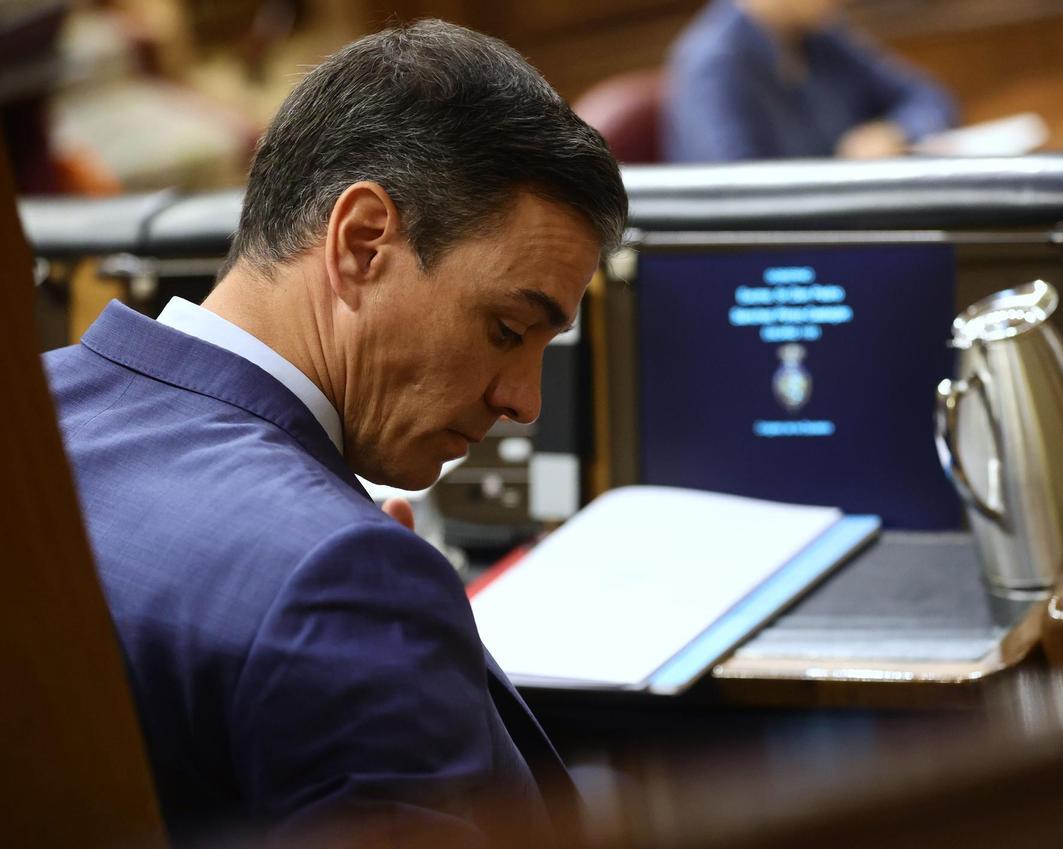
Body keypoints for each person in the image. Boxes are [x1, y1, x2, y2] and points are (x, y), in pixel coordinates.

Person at [42, 20, 627, 847]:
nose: (523, 400)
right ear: (361, 243)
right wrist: (383, 619)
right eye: (506, 327)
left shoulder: (33, 414)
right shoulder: (344, 578)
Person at [662, 0, 958, 162]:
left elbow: (928, 97)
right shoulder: (712, 64)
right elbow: (736, 192)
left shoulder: (822, 36)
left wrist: (895, 132)